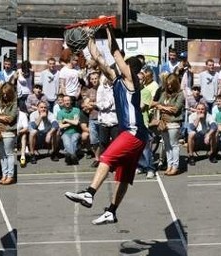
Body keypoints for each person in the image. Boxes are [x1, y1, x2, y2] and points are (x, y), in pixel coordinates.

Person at [64, 26, 148, 225]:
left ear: (130, 68)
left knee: (106, 157)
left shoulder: (131, 79)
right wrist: (90, 37)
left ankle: (89, 193)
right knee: (124, 176)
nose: (120, 64)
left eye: (125, 64)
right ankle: (112, 211)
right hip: (136, 134)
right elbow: (99, 57)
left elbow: (114, 51)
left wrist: (108, 28)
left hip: (133, 133)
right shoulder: (117, 79)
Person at [56, 95, 82, 165]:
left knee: (74, 140)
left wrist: (66, 120)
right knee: (67, 143)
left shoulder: (76, 110)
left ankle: (69, 156)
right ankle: (73, 157)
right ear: (63, 102)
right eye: (65, 101)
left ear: (71, 101)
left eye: (68, 100)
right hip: (65, 133)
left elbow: (76, 123)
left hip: (75, 132)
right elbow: (61, 126)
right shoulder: (60, 113)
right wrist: (72, 123)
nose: (67, 102)